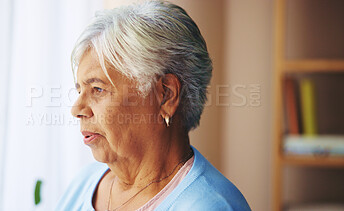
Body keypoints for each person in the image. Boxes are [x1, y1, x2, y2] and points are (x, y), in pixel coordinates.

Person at [56, 1, 250, 210]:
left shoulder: (210, 206)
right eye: (79, 91)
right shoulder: (84, 183)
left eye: (98, 89)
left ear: (166, 95)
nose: (77, 110)